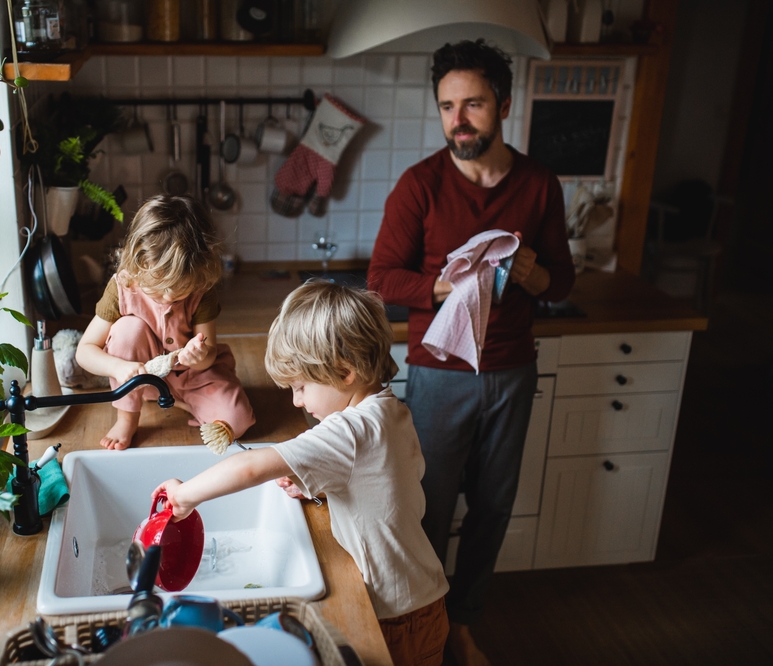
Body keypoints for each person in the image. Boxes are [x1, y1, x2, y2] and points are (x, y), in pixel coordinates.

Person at [367, 39, 575, 666]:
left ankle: (463, 625)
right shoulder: (420, 185)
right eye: (447, 106)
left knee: (492, 506)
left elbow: (562, 283)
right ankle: (422, 625)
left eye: (474, 104)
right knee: (428, 505)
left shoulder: (539, 185)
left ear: (503, 105)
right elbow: (380, 278)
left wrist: (533, 271)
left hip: (513, 371)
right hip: (438, 377)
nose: (458, 119)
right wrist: (442, 284)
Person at [153, 281, 451, 666]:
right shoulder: (390, 411)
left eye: (301, 386)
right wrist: (323, 488)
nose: (297, 401)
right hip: (423, 599)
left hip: (397, 617)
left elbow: (251, 466)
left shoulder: (350, 431)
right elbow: (385, 486)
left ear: (345, 372)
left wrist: (183, 495)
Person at [75, 195, 255, 450]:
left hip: (194, 378)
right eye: (158, 288)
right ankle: (128, 417)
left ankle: (183, 401)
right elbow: (84, 351)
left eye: (181, 289)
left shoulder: (202, 287)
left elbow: (209, 355)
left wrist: (199, 355)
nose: (170, 297)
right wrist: (117, 368)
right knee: (128, 329)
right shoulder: (123, 286)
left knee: (238, 421)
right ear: (139, 262)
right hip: (142, 378)